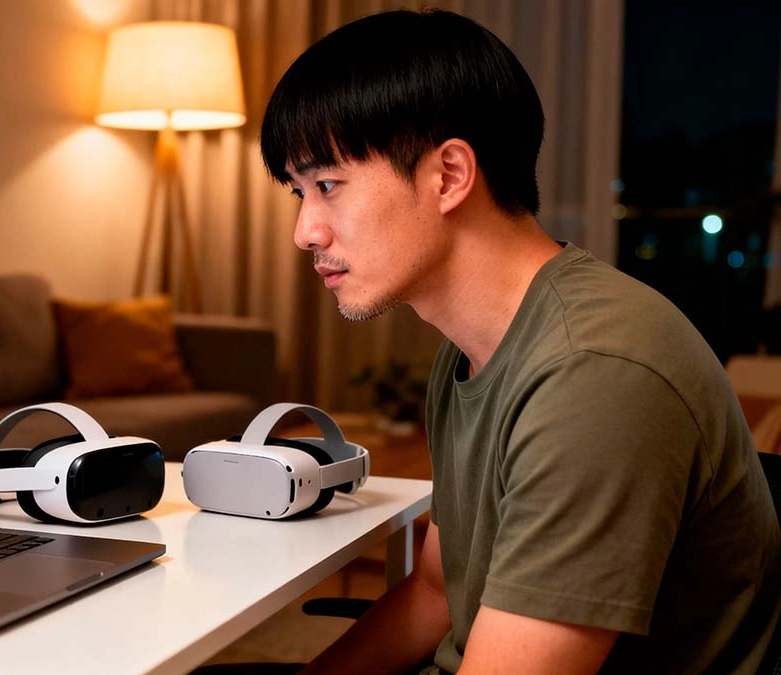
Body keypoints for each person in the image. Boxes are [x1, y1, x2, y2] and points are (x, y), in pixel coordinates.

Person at [258, 9, 781, 674]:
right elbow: (437, 593)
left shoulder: (593, 372)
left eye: (327, 185)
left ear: (449, 174)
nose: (304, 231)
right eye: (299, 193)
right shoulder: (469, 350)